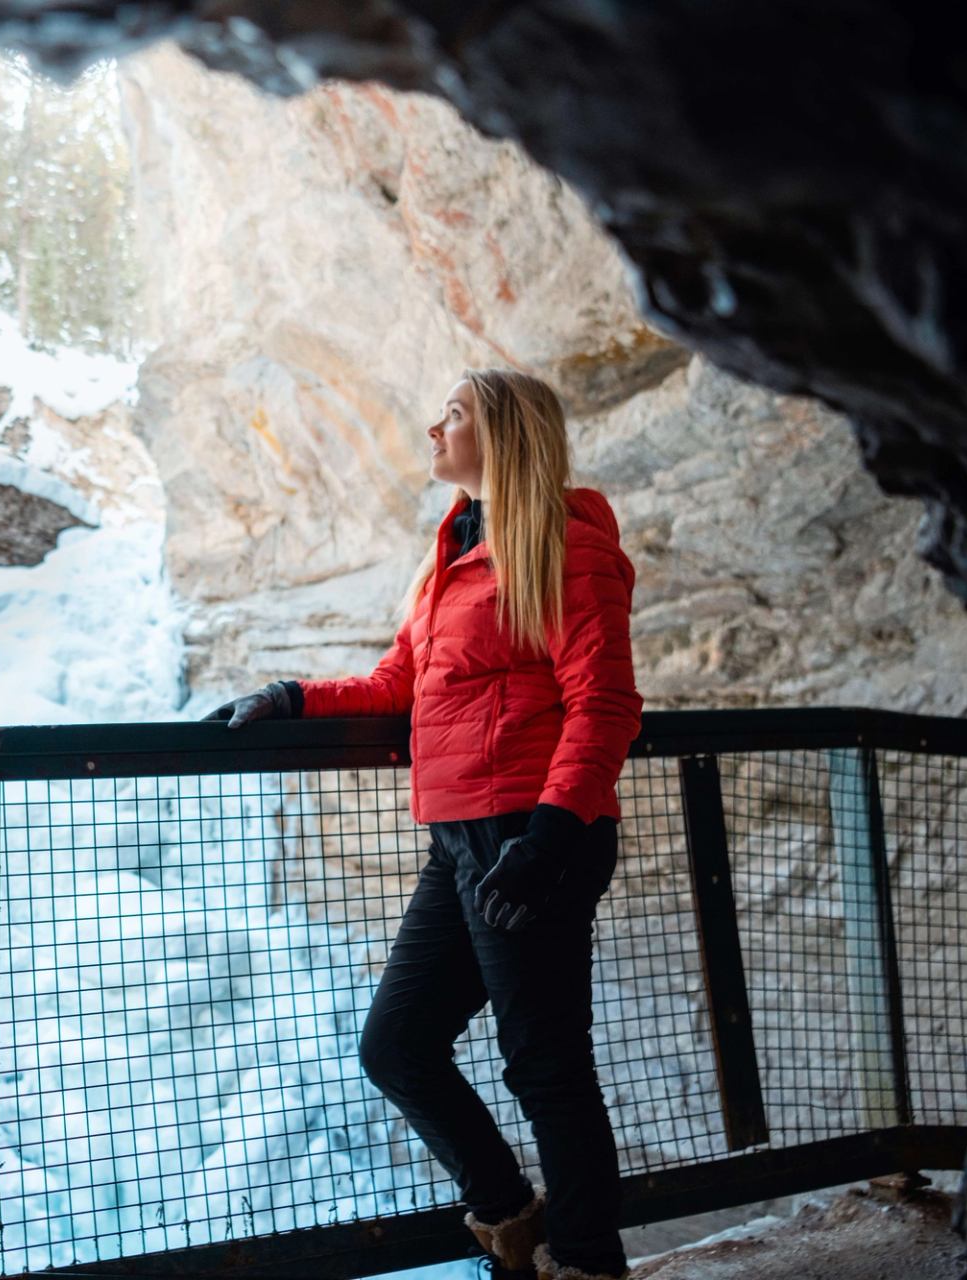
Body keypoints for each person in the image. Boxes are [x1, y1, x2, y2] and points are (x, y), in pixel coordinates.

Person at [201, 368, 643, 1280]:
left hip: (533, 832)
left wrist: (549, 839)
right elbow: (397, 685)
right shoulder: (452, 552)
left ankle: (592, 1265)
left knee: (546, 1066)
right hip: (463, 835)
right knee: (397, 1044)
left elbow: (603, 703)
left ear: (506, 435)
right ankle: (512, 1223)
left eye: (453, 415)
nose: (432, 426)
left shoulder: (566, 544)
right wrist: (291, 696)